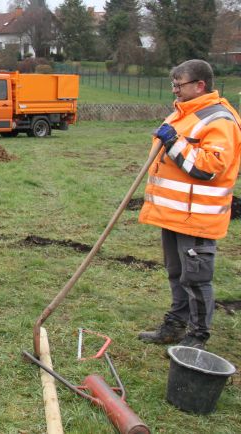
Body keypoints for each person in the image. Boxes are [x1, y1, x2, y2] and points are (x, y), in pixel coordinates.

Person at [138, 59, 241, 350]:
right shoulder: (182, 113)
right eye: (173, 84)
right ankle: (174, 326)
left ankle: (197, 336)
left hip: (197, 217)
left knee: (196, 279)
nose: (175, 89)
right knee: (176, 273)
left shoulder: (220, 119)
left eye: (179, 84)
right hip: (173, 214)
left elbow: (209, 166)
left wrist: (175, 143)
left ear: (200, 85)